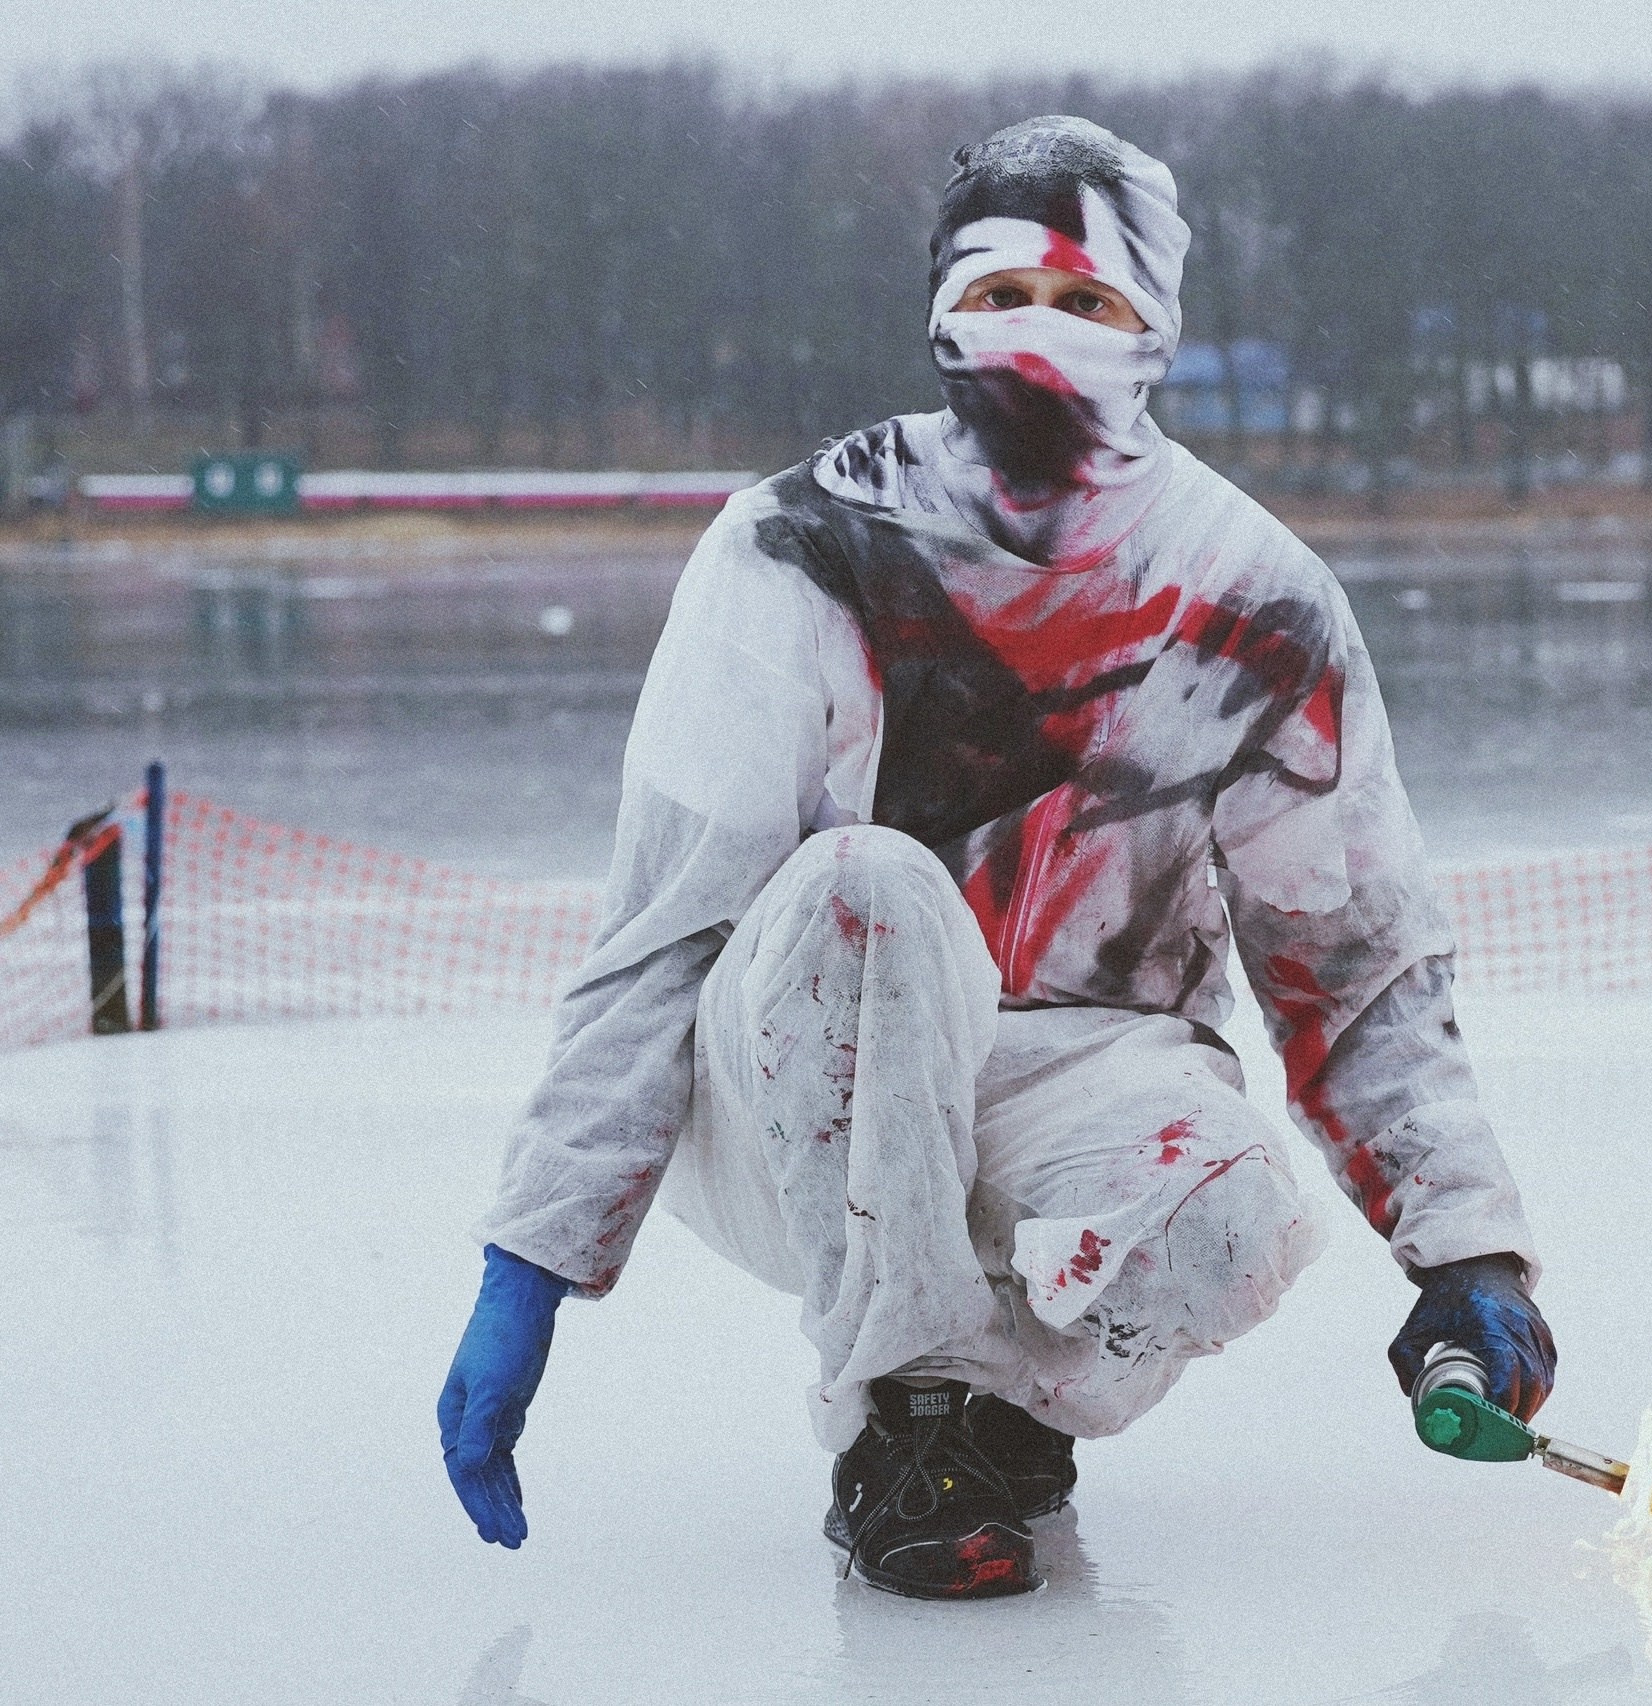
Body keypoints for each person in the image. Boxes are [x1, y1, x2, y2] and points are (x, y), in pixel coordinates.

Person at [436, 115, 1556, 1601]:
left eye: (1086, 299)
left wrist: (1465, 1246)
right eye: (1001, 292)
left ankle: (992, 1412)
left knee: (1235, 1204)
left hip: (1074, 1076)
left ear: (1154, 328)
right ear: (941, 310)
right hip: (796, 1084)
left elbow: (1354, 968)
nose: (1040, 331)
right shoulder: (799, 544)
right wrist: (532, 1258)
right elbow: (665, 929)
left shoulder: (1252, 595)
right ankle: (901, 1424)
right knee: (873, 888)